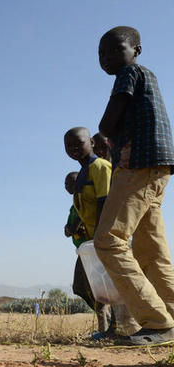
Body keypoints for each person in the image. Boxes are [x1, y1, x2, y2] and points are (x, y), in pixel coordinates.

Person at [94, 26, 174, 346]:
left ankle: (156, 321)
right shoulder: (148, 77)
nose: (108, 58)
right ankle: (169, 315)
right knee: (150, 249)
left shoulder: (130, 74)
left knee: (109, 240)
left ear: (136, 50)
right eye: (101, 54)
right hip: (158, 168)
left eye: (115, 49)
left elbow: (107, 123)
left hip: (138, 166)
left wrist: (105, 133)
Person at [63, 130, 113, 336]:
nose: (73, 148)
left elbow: (105, 201)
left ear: (91, 142)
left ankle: (118, 327)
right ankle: (109, 324)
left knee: (113, 287)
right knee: (82, 286)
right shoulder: (85, 171)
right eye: (68, 146)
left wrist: (102, 234)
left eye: (79, 143)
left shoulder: (101, 167)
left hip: (103, 238)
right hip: (90, 244)